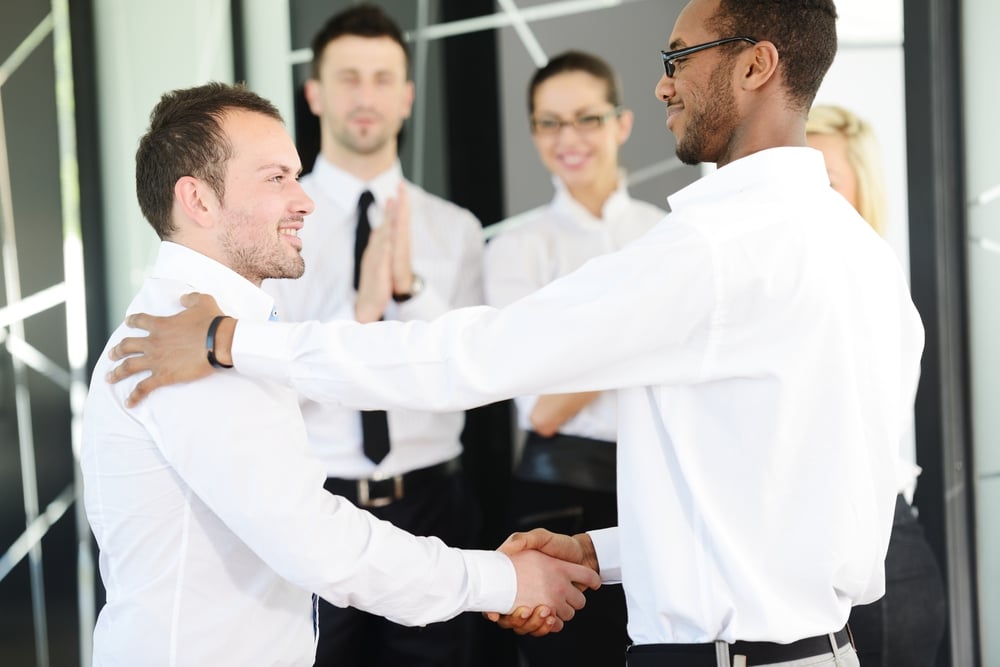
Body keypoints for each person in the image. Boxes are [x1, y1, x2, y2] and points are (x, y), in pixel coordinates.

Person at [106, 1, 926, 665]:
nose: (664, 84)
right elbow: (781, 501)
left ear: (755, 65)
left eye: (679, 59)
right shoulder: (867, 257)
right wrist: (596, 555)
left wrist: (230, 342)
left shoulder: (713, 250)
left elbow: (471, 357)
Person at [80, 81, 599, 667]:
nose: (304, 201)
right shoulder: (176, 342)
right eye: (276, 178)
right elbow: (313, 541)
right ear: (197, 200)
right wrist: (502, 580)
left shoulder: (222, 334)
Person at [264, 6, 487, 665]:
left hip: (434, 504)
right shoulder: (273, 227)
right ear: (314, 93)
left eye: (384, 78)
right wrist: (355, 316)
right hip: (312, 500)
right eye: (349, 78)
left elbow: (469, 379)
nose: (366, 96)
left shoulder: (456, 229)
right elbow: (265, 379)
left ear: (408, 94)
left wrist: (411, 291)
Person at [482, 50, 665, 666]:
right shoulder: (516, 249)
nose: (569, 139)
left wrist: (586, 349)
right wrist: (644, 331)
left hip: (663, 478)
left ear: (622, 123)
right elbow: (544, 408)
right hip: (559, 487)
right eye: (549, 122)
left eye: (586, 118)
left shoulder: (668, 235)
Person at [807, 103, 947, 667]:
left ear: (865, 192)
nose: (806, 199)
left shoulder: (865, 289)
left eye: (827, 182)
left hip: (881, 560)